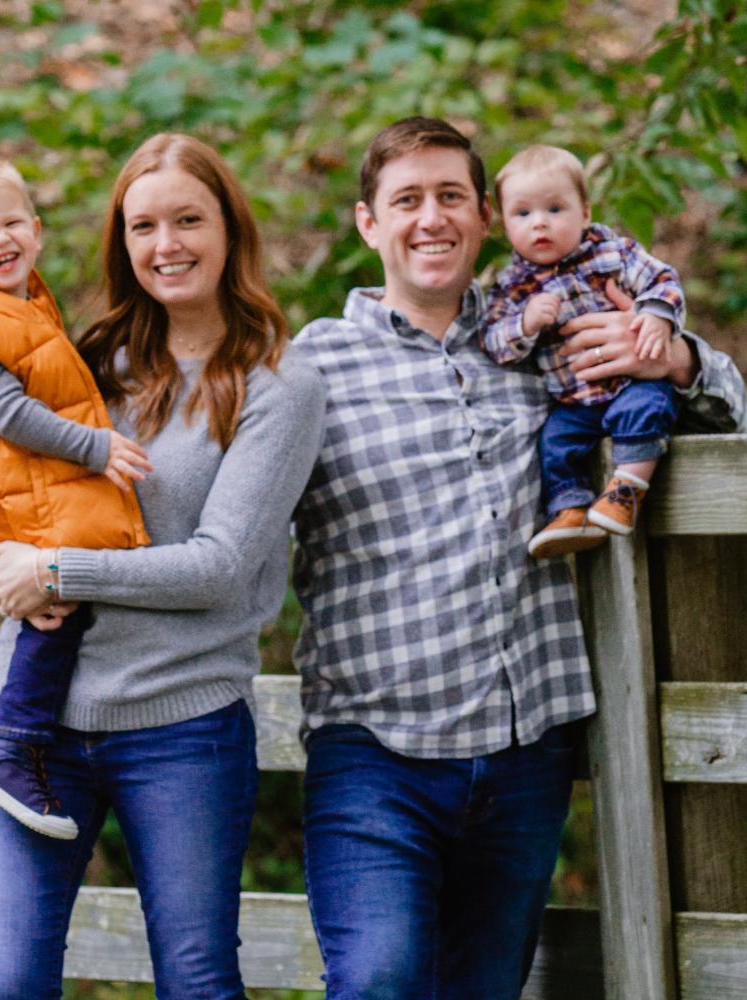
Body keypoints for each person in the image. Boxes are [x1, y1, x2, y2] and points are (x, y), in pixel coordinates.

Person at [290, 116, 746, 1000]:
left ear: (485, 218)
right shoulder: (311, 365)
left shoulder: (544, 340)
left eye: (452, 196)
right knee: (378, 982)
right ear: (367, 223)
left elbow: (731, 416)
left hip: (523, 745)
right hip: (375, 752)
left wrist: (678, 358)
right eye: (407, 200)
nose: (431, 218)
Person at [0, 133, 326, 1000]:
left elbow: (219, 569)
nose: (166, 244)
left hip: (183, 730)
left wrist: (55, 574)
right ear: (121, 244)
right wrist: (0, 565)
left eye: (188, 220)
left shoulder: (278, 385)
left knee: (197, 983)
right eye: (143, 226)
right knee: (10, 984)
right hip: (34, 723)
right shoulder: (81, 360)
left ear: (230, 230)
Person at [0, 150, 153, 840]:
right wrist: (95, 447)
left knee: (58, 598)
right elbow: (10, 415)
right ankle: (9, 742)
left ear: (36, 231)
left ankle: (19, 741)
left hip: (27, 490)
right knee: (53, 608)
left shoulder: (18, 311)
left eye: (11, 223)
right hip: (10, 498)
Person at [484, 144, 686, 559]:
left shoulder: (614, 253)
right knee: (555, 442)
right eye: (523, 214)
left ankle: (625, 491)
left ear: (586, 212)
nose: (539, 223)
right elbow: (495, 343)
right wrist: (525, 323)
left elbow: (663, 279)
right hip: (575, 400)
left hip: (631, 382)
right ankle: (569, 511)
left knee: (650, 408)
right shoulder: (513, 289)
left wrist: (657, 316)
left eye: (555, 209)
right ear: (505, 225)